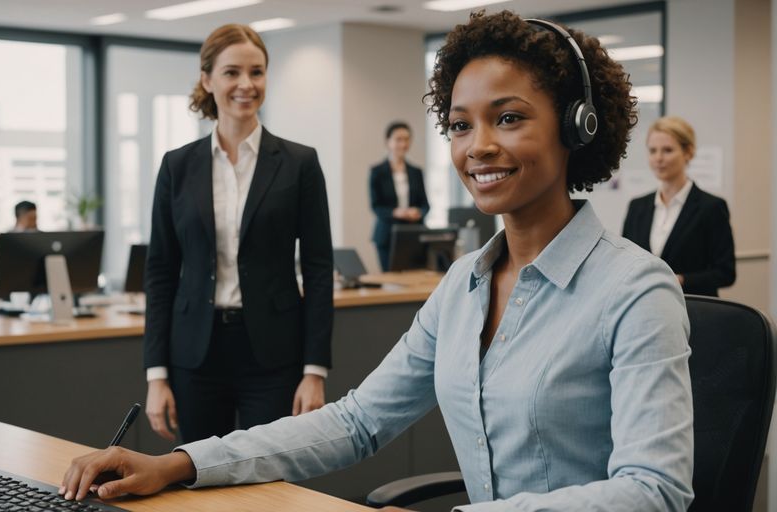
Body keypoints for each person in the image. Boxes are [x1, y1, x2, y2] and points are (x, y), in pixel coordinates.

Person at [60, 12, 694, 511]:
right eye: (460, 125)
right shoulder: (463, 286)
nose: (478, 146)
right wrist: (180, 464)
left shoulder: (634, 290)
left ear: (577, 127)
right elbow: (358, 421)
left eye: (507, 118)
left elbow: (654, 490)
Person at [142, 24, 334, 445]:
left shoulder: (299, 163)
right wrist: (156, 374)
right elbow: (159, 272)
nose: (246, 84)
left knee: (268, 472)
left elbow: (319, 270)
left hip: (273, 354)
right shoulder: (177, 166)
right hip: (195, 355)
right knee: (198, 474)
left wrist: (314, 371)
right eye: (232, 72)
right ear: (207, 80)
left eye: (257, 72)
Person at [622, 116, 735, 296]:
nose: (658, 158)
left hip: (693, 307)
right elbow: (625, 261)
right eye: (652, 151)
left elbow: (726, 273)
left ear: (688, 152)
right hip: (644, 305)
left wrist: (680, 280)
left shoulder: (711, 207)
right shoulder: (637, 207)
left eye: (667, 150)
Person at [369, 121, 430, 271]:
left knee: (414, 277)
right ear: (388, 142)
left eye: (407, 139)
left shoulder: (416, 172)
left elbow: (425, 205)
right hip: (387, 236)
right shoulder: (377, 172)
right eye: (398, 139)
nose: (403, 144)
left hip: (413, 234)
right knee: (391, 279)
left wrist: (418, 212)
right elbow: (376, 206)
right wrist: (396, 212)